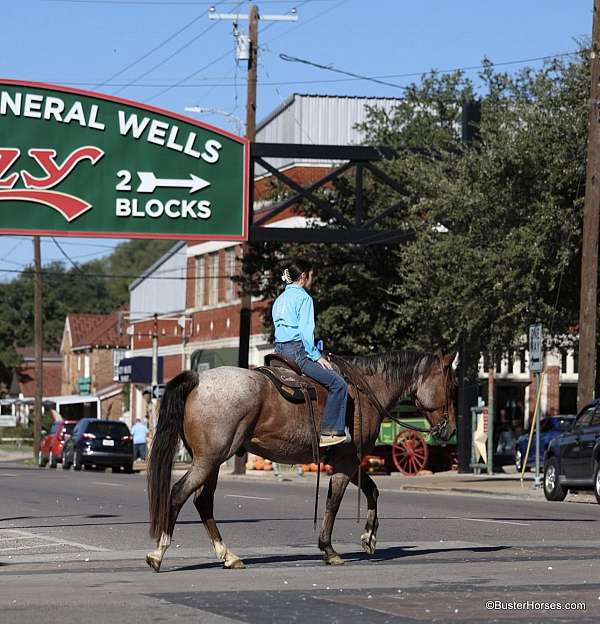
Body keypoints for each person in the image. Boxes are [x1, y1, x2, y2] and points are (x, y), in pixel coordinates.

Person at [271, 260, 349, 447]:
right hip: (296, 352)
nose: (312, 280)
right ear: (304, 276)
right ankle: (330, 433)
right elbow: (306, 334)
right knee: (338, 384)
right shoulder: (304, 298)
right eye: (311, 276)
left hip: (278, 352)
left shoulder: (279, 299)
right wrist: (317, 356)